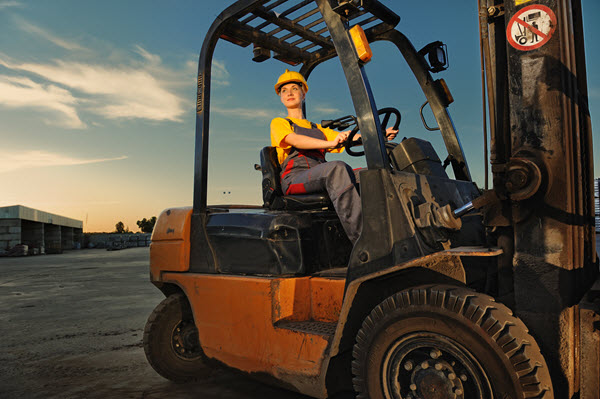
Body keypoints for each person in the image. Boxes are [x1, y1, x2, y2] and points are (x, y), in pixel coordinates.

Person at [270, 69, 397, 244]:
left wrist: (380, 134)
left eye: (294, 88)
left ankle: (395, 234)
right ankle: (367, 242)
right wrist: (329, 143)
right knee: (337, 169)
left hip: (319, 174)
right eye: (284, 90)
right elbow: (296, 140)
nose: (289, 93)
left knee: (375, 173)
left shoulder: (317, 128)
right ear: (281, 97)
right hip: (295, 178)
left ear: (303, 93)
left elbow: (346, 137)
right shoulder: (280, 123)